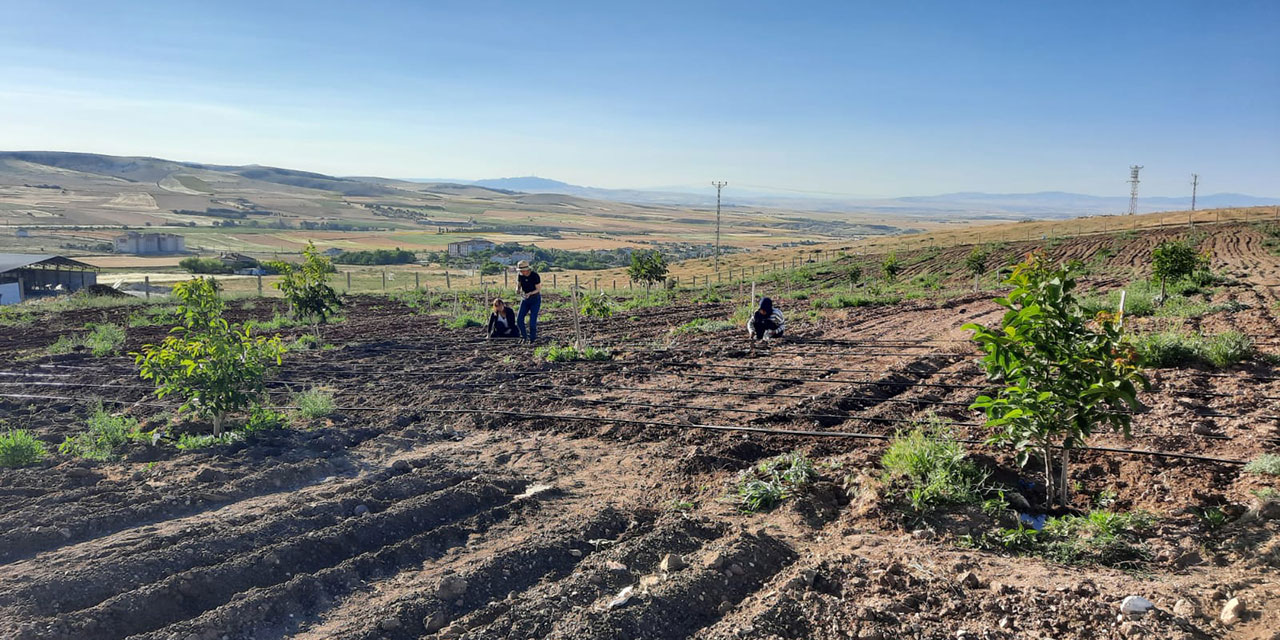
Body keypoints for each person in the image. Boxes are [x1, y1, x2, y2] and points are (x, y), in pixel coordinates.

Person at [514, 260, 542, 343]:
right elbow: (518, 285)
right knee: (519, 319)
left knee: (532, 321)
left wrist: (530, 293)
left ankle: (532, 339)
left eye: (523, 270)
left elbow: (538, 289)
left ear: (527, 269)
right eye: (520, 271)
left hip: (535, 299)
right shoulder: (520, 275)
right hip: (525, 299)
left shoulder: (535, 275)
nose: (522, 272)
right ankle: (524, 336)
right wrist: (517, 290)